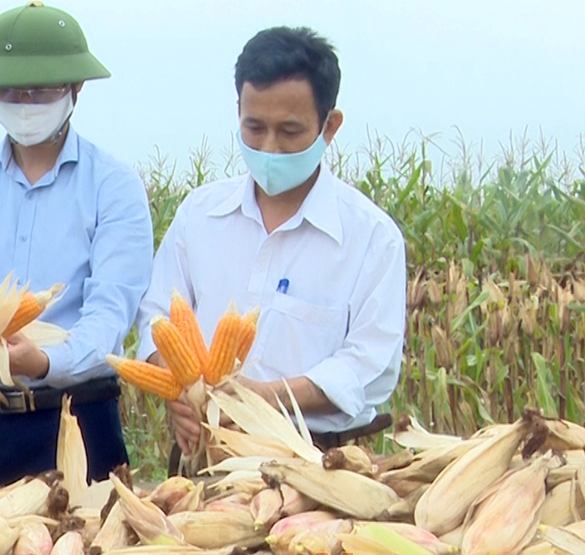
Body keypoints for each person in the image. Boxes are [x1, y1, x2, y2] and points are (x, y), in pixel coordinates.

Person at [0, 1, 154, 486]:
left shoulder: (114, 186)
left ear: (76, 90)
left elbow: (109, 314)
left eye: (41, 91)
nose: (25, 104)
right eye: (11, 91)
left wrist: (39, 362)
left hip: (77, 420)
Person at [134, 26, 407, 472]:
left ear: (329, 126)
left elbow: (370, 366)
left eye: (290, 131)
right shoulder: (199, 216)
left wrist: (263, 401)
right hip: (201, 458)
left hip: (318, 464)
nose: (269, 148)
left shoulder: (371, 238)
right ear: (238, 112)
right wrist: (181, 389)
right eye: (254, 128)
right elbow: (156, 318)